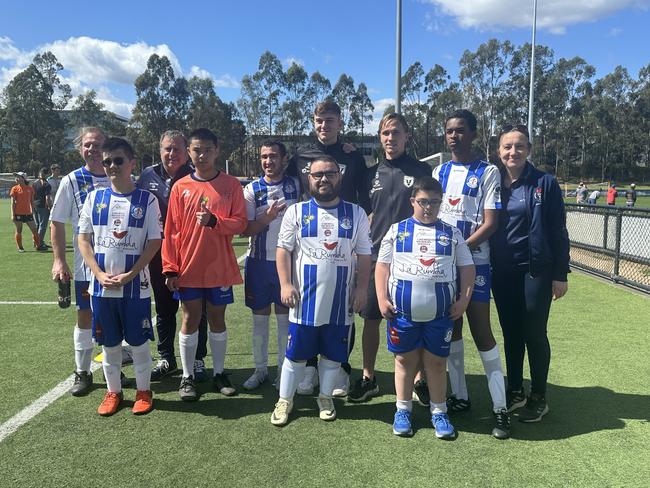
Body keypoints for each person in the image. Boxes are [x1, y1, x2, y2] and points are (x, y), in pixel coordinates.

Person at [271, 155, 371, 426]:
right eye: (318, 175)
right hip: (304, 300)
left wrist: (362, 289)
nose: (324, 179)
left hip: (341, 301)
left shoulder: (356, 213)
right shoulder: (296, 212)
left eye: (330, 173)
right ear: (309, 178)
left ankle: (325, 397)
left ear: (339, 177)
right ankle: (285, 400)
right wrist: (285, 283)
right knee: (296, 355)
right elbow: (283, 250)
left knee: (332, 355)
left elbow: (364, 255)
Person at [376, 176, 475, 439]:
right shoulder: (397, 230)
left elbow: (467, 268)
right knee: (404, 360)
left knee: (436, 362)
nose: (428, 207)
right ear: (413, 202)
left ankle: (439, 412)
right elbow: (382, 267)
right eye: (423, 202)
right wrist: (382, 299)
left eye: (434, 202)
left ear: (441, 203)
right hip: (403, 314)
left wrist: (464, 300)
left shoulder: (451, 233)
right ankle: (403, 409)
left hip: (440, 315)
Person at [431, 109, 509, 439]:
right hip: (442, 264)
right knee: (452, 328)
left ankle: (501, 409)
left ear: (474, 134)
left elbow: (491, 222)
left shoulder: (488, 171)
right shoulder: (439, 171)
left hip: (475, 264)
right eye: (449, 130)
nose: (453, 136)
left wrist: (459, 248)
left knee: (481, 331)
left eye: (460, 130)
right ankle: (461, 397)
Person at [287, 100, 367, 397]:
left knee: (343, 306)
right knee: (311, 304)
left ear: (340, 122)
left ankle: (341, 368)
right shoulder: (301, 155)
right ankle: (309, 368)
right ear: (313, 122)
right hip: (311, 240)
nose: (324, 125)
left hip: (344, 239)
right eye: (319, 120)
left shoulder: (353, 156)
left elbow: (363, 196)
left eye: (330, 120)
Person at [490, 124, 570, 422]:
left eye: (519, 146)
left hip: (536, 270)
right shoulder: (492, 180)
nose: (513, 151)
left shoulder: (544, 183)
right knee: (511, 334)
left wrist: (560, 274)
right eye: (507, 146)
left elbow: (558, 231)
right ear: (498, 152)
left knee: (534, 333)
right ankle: (515, 391)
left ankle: (538, 396)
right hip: (502, 270)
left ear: (529, 150)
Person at [350, 113, 431, 403]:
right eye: (385, 133)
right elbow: (362, 214)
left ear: (407, 136)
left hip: (413, 257)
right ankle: (368, 376)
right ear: (379, 137)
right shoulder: (370, 174)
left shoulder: (422, 170)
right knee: (371, 317)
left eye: (396, 133)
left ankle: (420, 379)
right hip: (377, 258)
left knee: (415, 319)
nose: (390, 138)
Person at [78, 137, 162, 416]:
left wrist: (131, 274)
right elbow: (83, 240)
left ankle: (143, 391)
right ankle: (113, 392)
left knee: (138, 343)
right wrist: (98, 273)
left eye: (118, 160)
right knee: (109, 344)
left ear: (132, 163)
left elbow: (153, 242)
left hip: (136, 287)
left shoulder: (147, 200)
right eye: (107, 161)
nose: (112, 166)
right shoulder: (94, 198)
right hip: (102, 288)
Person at [162, 128, 247, 402]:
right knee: (189, 318)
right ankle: (187, 377)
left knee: (217, 320)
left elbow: (241, 223)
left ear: (217, 151)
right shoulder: (180, 187)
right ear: (189, 152)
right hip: (189, 268)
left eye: (208, 150)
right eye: (197, 150)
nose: (202, 155)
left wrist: (215, 222)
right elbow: (171, 231)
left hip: (219, 267)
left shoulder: (232, 185)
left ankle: (219, 373)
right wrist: (170, 267)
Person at [136, 130, 209, 381]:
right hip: (158, 254)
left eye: (177, 149)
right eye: (167, 148)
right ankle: (166, 358)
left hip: (192, 253)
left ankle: (198, 359)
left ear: (186, 151)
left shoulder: (196, 174)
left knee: (197, 310)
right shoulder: (147, 175)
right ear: (160, 150)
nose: (172, 154)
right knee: (165, 309)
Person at [51, 127, 111, 395]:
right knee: (84, 316)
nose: (93, 149)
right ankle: (82, 372)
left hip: (118, 266)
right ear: (80, 149)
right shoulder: (71, 180)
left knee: (112, 317)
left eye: (98, 144)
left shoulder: (118, 176)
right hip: (86, 267)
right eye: (88, 144)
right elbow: (57, 221)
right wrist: (58, 261)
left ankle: (112, 366)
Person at [241, 140, 299, 390]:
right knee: (260, 320)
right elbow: (246, 229)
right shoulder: (252, 189)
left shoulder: (296, 185)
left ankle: (282, 371)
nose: (268, 161)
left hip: (287, 263)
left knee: (285, 319)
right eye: (264, 157)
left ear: (283, 158)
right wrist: (267, 217)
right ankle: (260, 369)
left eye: (273, 156)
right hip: (259, 263)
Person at [10, 172, 44, 252]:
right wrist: (12, 215)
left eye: (18, 177)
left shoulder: (30, 188)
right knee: (19, 230)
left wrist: (33, 211)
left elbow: (32, 201)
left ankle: (38, 246)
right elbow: (12, 203)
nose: (17, 178)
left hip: (28, 213)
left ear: (23, 178)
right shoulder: (14, 188)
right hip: (18, 213)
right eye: (16, 177)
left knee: (34, 230)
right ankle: (20, 248)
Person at [32, 167, 52, 249]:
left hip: (34, 205)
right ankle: (39, 243)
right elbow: (47, 198)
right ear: (47, 174)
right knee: (42, 226)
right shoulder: (46, 184)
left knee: (37, 225)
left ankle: (35, 241)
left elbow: (32, 195)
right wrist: (50, 207)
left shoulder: (34, 183)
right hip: (42, 206)